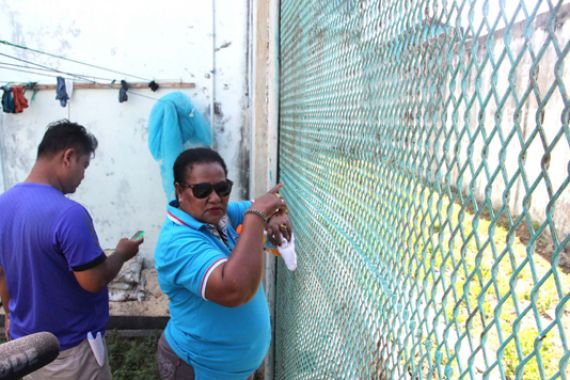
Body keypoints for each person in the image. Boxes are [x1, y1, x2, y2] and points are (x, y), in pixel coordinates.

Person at [0, 120, 143, 380]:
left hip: (25, 348)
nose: (83, 175)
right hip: (69, 354)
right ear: (68, 157)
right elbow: (93, 280)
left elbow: (2, 273)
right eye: (84, 165)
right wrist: (122, 252)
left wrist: (10, 314)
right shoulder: (69, 214)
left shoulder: (3, 204)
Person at [155, 147, 292, 380]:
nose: (215, 198)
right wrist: (256, 218)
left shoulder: (219, 215)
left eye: (222, 188)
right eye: (202, 190)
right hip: (200, 367)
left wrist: (276, 215)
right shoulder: (176, 242)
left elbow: (267, 204)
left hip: (235, 368)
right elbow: (233, 289)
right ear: (179, 190)